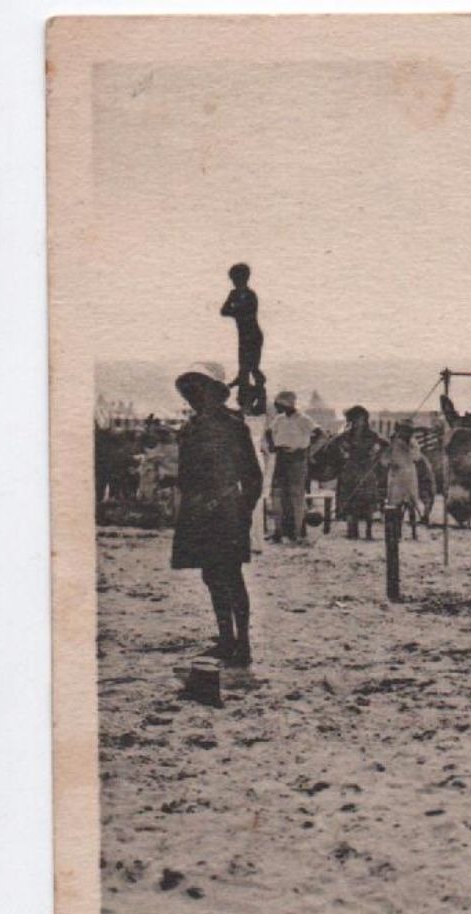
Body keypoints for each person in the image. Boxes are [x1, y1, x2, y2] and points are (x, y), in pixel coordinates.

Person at [171, 362, 262, 666]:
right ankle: (226, 640)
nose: (195, 396)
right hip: (198, 511)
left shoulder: (233, 426)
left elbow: (252, 476)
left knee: (231, 576)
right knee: (211, 576)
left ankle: (244, 645)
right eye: (191, 391)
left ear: (215, 393)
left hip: (227, 511)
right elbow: (185, 475)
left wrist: (242, 511)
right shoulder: (191, 428)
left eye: (201, 389)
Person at [323, 405, 387, 539]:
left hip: (366, 471)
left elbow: (385, 445)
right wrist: (342, 454)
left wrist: (376, 452)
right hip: (350, 471)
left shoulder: (372, 435)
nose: (358, 422)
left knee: (368, 500)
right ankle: (352, 531)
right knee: (350, 500)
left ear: (365, 420)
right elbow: (330, 446)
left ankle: (368, 532)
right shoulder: (344, 436)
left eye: (361, 419)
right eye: (355, 419)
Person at [264, 391, 316, 542]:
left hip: (297, 459)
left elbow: (320, 435)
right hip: (281, 458)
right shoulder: (279, 419)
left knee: (296, 495)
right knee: (277, 494)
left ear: (287, 404)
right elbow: (268, 432)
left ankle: (296, 532)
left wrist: (308, 452)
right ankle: (278, 531)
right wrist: (272, 445)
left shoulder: (304, 419)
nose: (277, 408)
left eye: (279, 405)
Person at [220, 263, 266, 416]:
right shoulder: (234, 294)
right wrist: (237, 309)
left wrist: (236, 310)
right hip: (244, 336)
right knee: (245, 370)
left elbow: (246, 313)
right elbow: (224, 311)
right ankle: (245, 401)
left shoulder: (250, 295)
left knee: (251, 368)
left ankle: (258, 400)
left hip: (252, 335)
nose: (235, 282)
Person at [380, 421, 434, 539]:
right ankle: (397, 531)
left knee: (411, 504)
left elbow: (416, 456)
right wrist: (390, 463)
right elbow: (384, 459)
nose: (406, 434)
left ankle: (414, 531)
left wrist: (409, 447)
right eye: (404, 431)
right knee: (396, 506)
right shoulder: (393, 444)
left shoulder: (413, 443)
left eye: (408, 431)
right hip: (396, 477)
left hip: (409, 475)